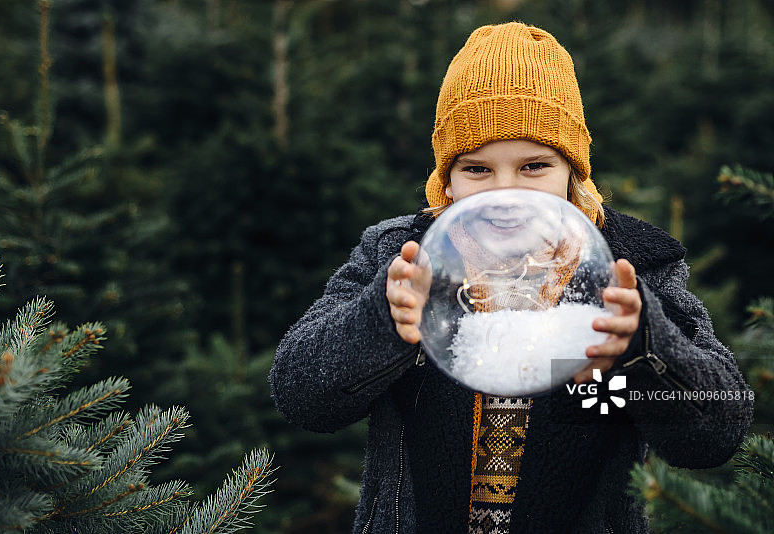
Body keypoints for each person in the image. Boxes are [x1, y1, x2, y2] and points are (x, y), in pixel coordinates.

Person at [270, 22, 753, 533]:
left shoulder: (633, 270)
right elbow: (301, 393)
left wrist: (647, 347)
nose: (506, 193)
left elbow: (717, 432)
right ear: (447, 179)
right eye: (477, 169)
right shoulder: (400, 258)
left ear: (572, 170)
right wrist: (381, 319)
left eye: (533, 166)